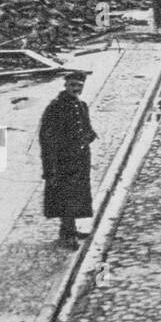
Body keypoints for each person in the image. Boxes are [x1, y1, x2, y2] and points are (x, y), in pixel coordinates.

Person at [39, 72, 97, 249]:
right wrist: (50, 166)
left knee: (76, 195)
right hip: (62, 160)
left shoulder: (81, 105)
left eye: (79, 86)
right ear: (65, 86)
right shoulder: (56, 108)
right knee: (66, 197)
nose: (76, 89)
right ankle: (67, 235)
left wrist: (89, 136)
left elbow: (86, 127)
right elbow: (47, 138)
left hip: (79, 160)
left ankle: (69, 229)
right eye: (72, 85)